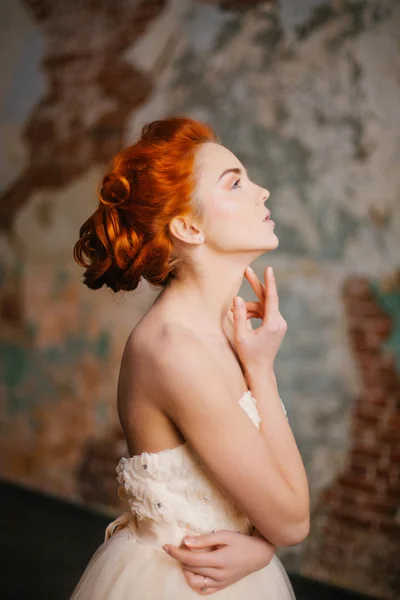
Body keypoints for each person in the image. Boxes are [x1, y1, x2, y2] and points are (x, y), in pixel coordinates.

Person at [71, 116, 309, 598]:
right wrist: (261, 375)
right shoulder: (173, 351)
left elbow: (277, 508)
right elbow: (292, 521)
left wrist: (259, 546)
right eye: (236, 183)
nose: (262, 191)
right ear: (188, 226)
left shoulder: (222, 326)